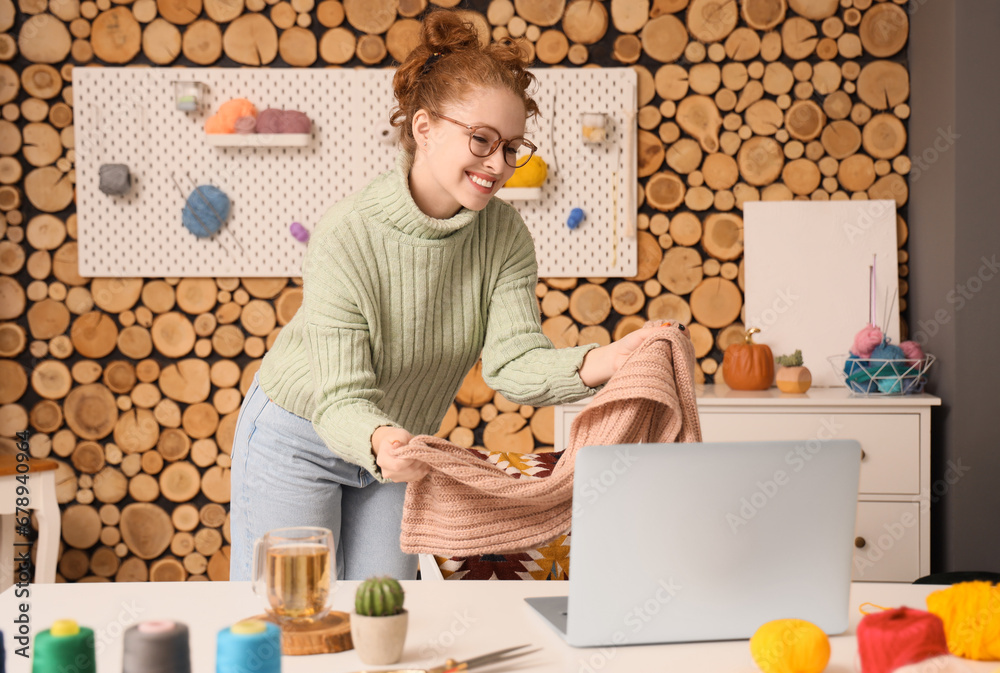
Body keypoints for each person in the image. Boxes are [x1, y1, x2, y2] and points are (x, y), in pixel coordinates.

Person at [229, 9, 666, 582]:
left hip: (400, 450)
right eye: (481, 140)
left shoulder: (504, 234)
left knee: (385, 611)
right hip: (299, 437)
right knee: (283, 620)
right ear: (423, 128)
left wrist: (605, 360)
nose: (497, 165)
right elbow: (340, 401)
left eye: (512, 147)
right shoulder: (347, 234)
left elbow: (514, 362)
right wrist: (380, 438)